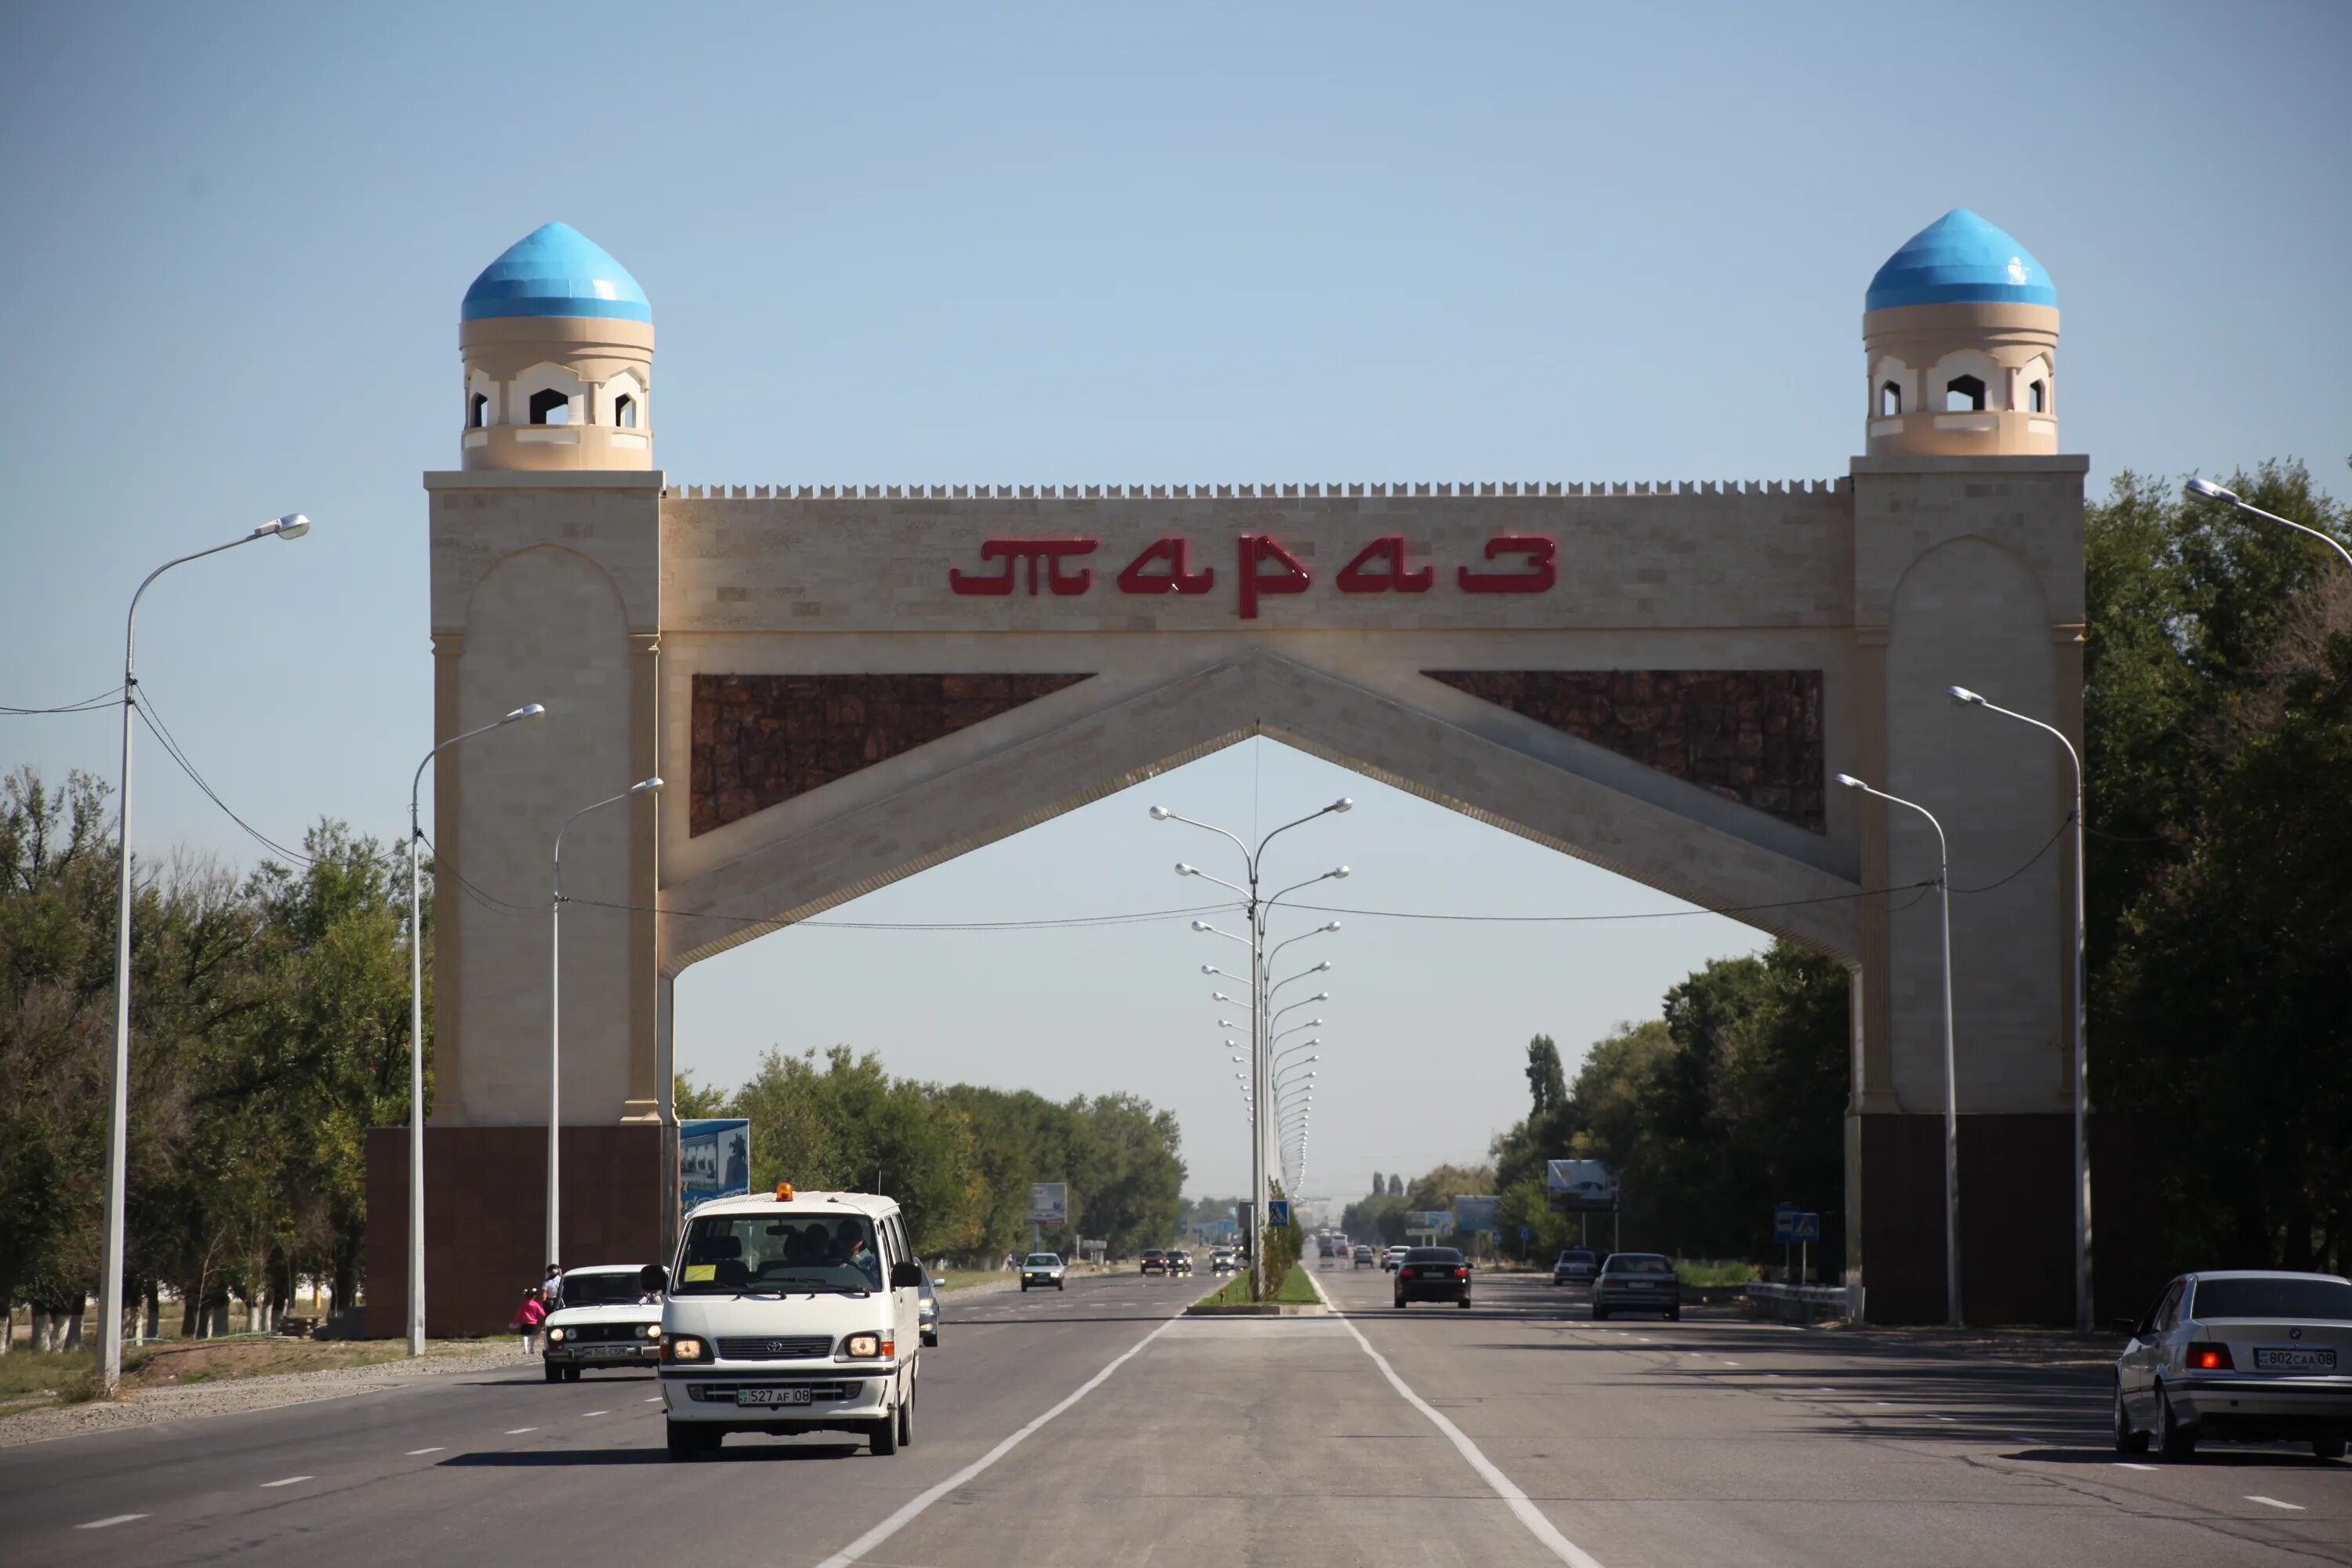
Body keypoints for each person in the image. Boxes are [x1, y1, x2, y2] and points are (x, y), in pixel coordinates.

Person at [510, 1288, 548, 1355]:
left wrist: (515, 1320)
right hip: (533, 1323)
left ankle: (525, 1350)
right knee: (533, 1336)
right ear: (534, 1296)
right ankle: (532, 1349)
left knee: (525, 1336)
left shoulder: (523, 1304)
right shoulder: (536, 1304)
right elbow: (542, 1313)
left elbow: (519, 1313)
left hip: (525, 1322)